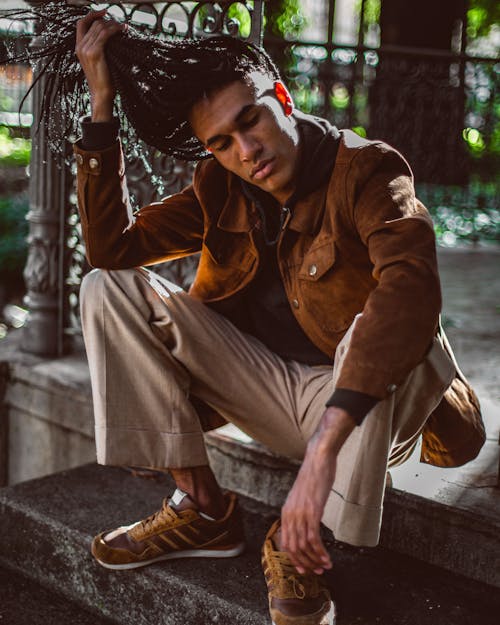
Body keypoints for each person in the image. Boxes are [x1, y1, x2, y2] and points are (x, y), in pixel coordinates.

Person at [72, 9, 483, 625]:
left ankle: (302, 542)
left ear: (281, 97)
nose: (247, 151)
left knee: (390, 326)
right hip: (260, 386)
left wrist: (321, 454)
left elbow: (412, 291)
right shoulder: (222, 183)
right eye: (220, 143)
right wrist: (100, 104)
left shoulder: (367, 170)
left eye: (251, 119)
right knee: (108, 287)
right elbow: (113, 251)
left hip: (357, 411)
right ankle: (204, 507)